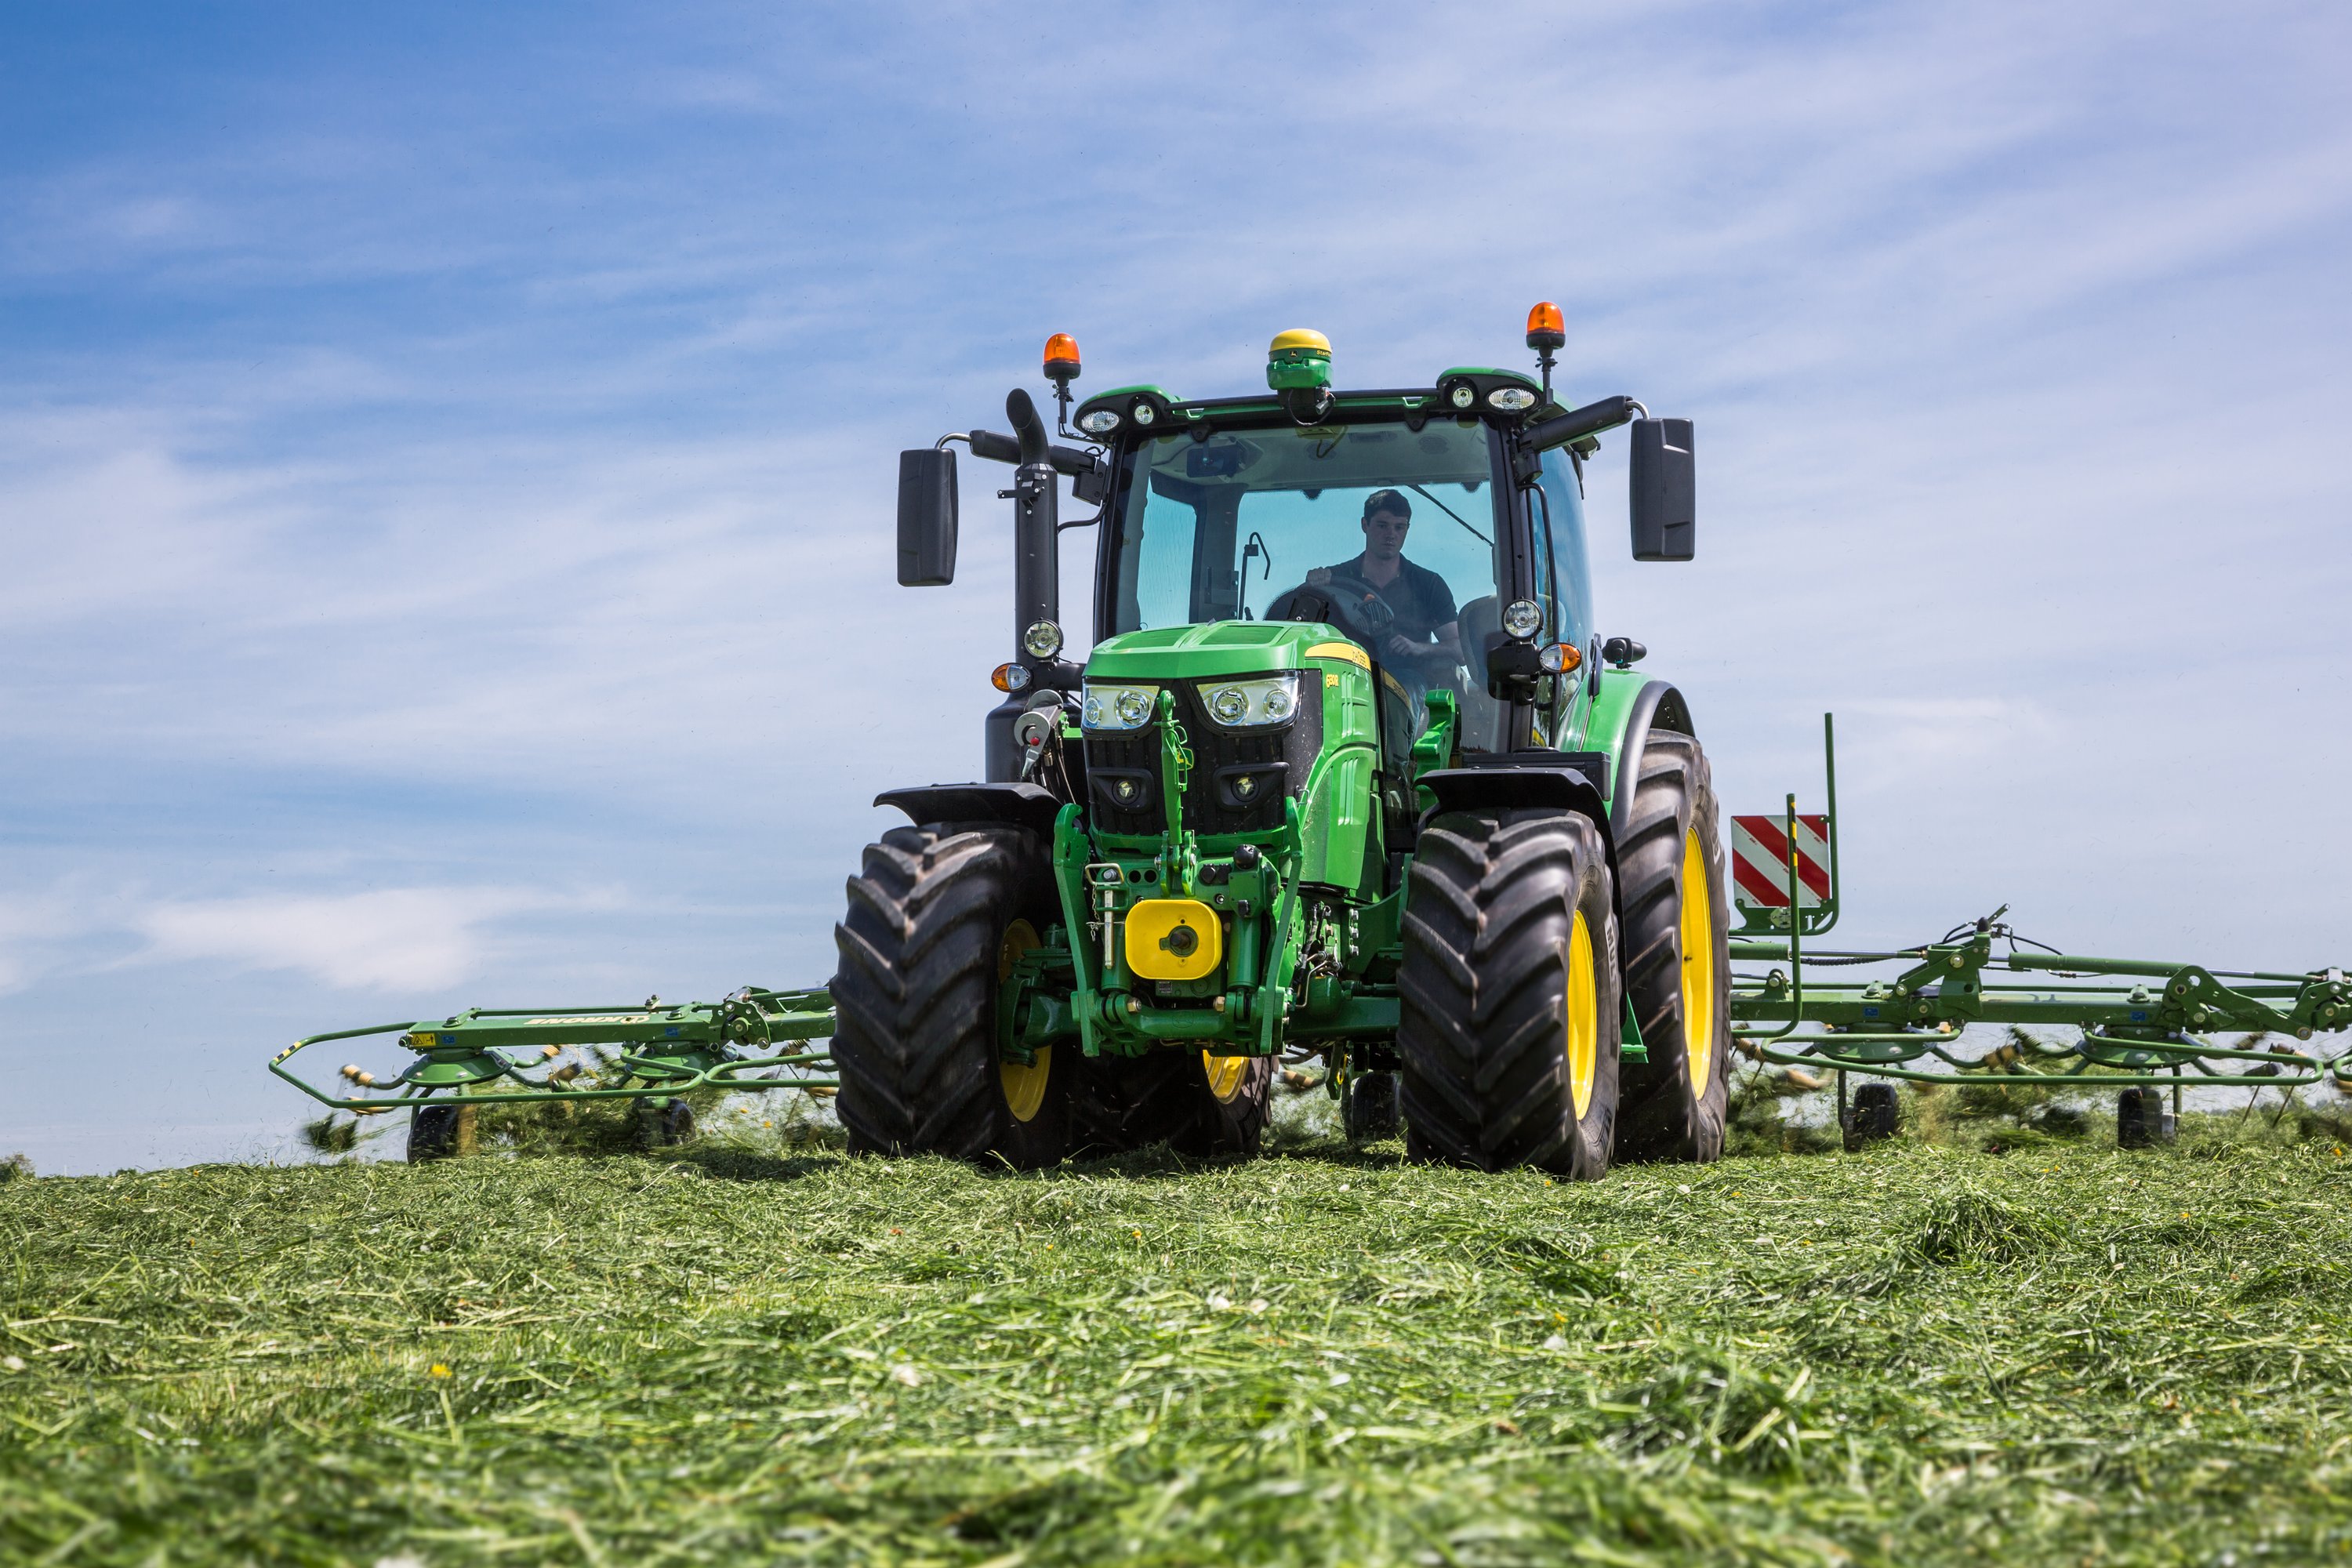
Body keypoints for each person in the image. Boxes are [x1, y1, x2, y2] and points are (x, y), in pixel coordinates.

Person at [1305, 489, 1464, 688]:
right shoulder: (1335, 582)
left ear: (1408, 529)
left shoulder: (1428, 584)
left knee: (1408, 686)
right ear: (1365, 525)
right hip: (1346, 678)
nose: (1391, 534)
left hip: (1409, 681)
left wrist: (1419, 648)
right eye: (1383, 526)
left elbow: (1460, 649)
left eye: (1399, 527)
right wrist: (1315, 584)